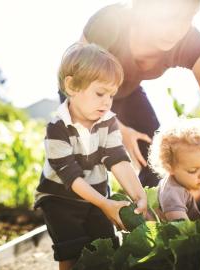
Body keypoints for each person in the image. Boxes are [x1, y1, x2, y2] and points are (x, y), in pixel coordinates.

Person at [59, 0, 200, 188]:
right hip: (79, 91)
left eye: (186, 19)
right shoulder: (109, 23)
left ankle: (158, 211)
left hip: (127, 92)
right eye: (166, 17)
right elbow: (77, 87)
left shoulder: (192, 43)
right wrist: (117, 128)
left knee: (154, 159)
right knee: (86, 160)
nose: (175, 30)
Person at [35, 43, 147, 270]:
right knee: (70, 251)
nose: (107, 102)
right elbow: (70, 176)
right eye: (100, 93)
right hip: (60, 199)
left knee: (105, 247)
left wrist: (138, 194)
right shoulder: (56, 128)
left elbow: (117, 159)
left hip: (96, 194)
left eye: (111, 95)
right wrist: (104, 203)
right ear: (72, 85)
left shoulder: (108, 122)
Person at [148, 118, 200, 221]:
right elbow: (182, 230)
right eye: (193, 171)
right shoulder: (172, 193)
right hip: (176, 234)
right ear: (170, 168)